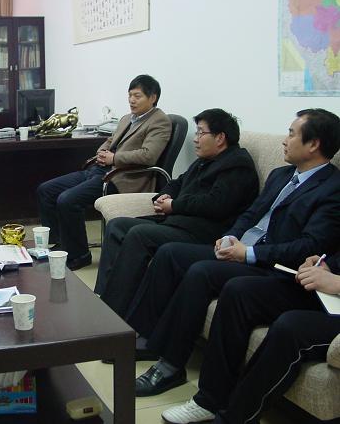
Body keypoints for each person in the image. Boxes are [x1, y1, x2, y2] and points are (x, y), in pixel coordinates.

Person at [127, 108, 340, 397]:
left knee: (201, 272)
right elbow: (251, 213)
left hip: (269, 264)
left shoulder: (332, 189)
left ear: (313, 144)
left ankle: (170, 366)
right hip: (241, 249)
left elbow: (309, 246)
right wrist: (230, 236)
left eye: (291, 134)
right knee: (170, 254)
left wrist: (249, 253)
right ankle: (144, 337)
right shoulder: (281, 175)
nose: (284, 140)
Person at [95, 109, 258, 318]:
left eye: (200, 133)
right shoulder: (205, 160)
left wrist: (175, 205)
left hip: (203, 232)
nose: (195, 139)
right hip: (179, 223)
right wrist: (164, 196)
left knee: (139, 235)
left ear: (220, 138)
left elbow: (215, 205)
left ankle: (113, 315)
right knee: (117, 225)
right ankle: (104, 297)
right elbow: (177, 182)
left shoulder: (237, 165)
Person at [161, 253, 340, 424]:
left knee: (291, 327)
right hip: (329, 295)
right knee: (238, 291)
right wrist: (325, 266)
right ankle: (209, 401)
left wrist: (336, 282)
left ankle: (235, 419)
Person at [36, 75, 171, 270]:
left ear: (153, 98)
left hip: (122, 178)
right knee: (46, 190)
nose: (132, 100)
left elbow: (148, 155)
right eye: (130, 95)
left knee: (67, 200)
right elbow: (110, 141)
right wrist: (101, 152)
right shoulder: (127, 118)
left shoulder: (160, 121)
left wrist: (114, 159)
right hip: (100, 170)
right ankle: (62, 244)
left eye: (137, 96)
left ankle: (79, 255)